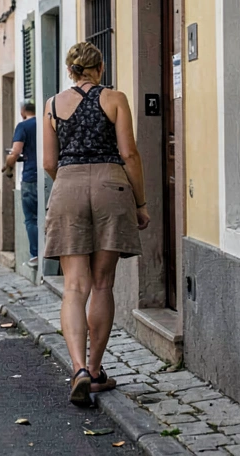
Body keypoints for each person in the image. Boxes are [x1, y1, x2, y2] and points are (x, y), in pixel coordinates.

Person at [42, 42, 148, 407]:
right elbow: (129, 154)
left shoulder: (53, 105)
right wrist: (140, 202)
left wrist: (70, 181)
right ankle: (96, 368)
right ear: (99, 68)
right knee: (102, 283)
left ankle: (77, 370)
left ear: (70, 71)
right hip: (111, 187)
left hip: (68, 186)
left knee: (74, 286)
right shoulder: (115, 99)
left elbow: (48, 162)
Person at [4, 102, 40, 267]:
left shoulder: (23, 126)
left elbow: (16, 152)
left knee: (31, 218)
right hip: (50, 173)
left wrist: (8, 164)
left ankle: (36, 255)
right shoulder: (45, 122)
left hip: (31, 176)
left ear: (23, 112)